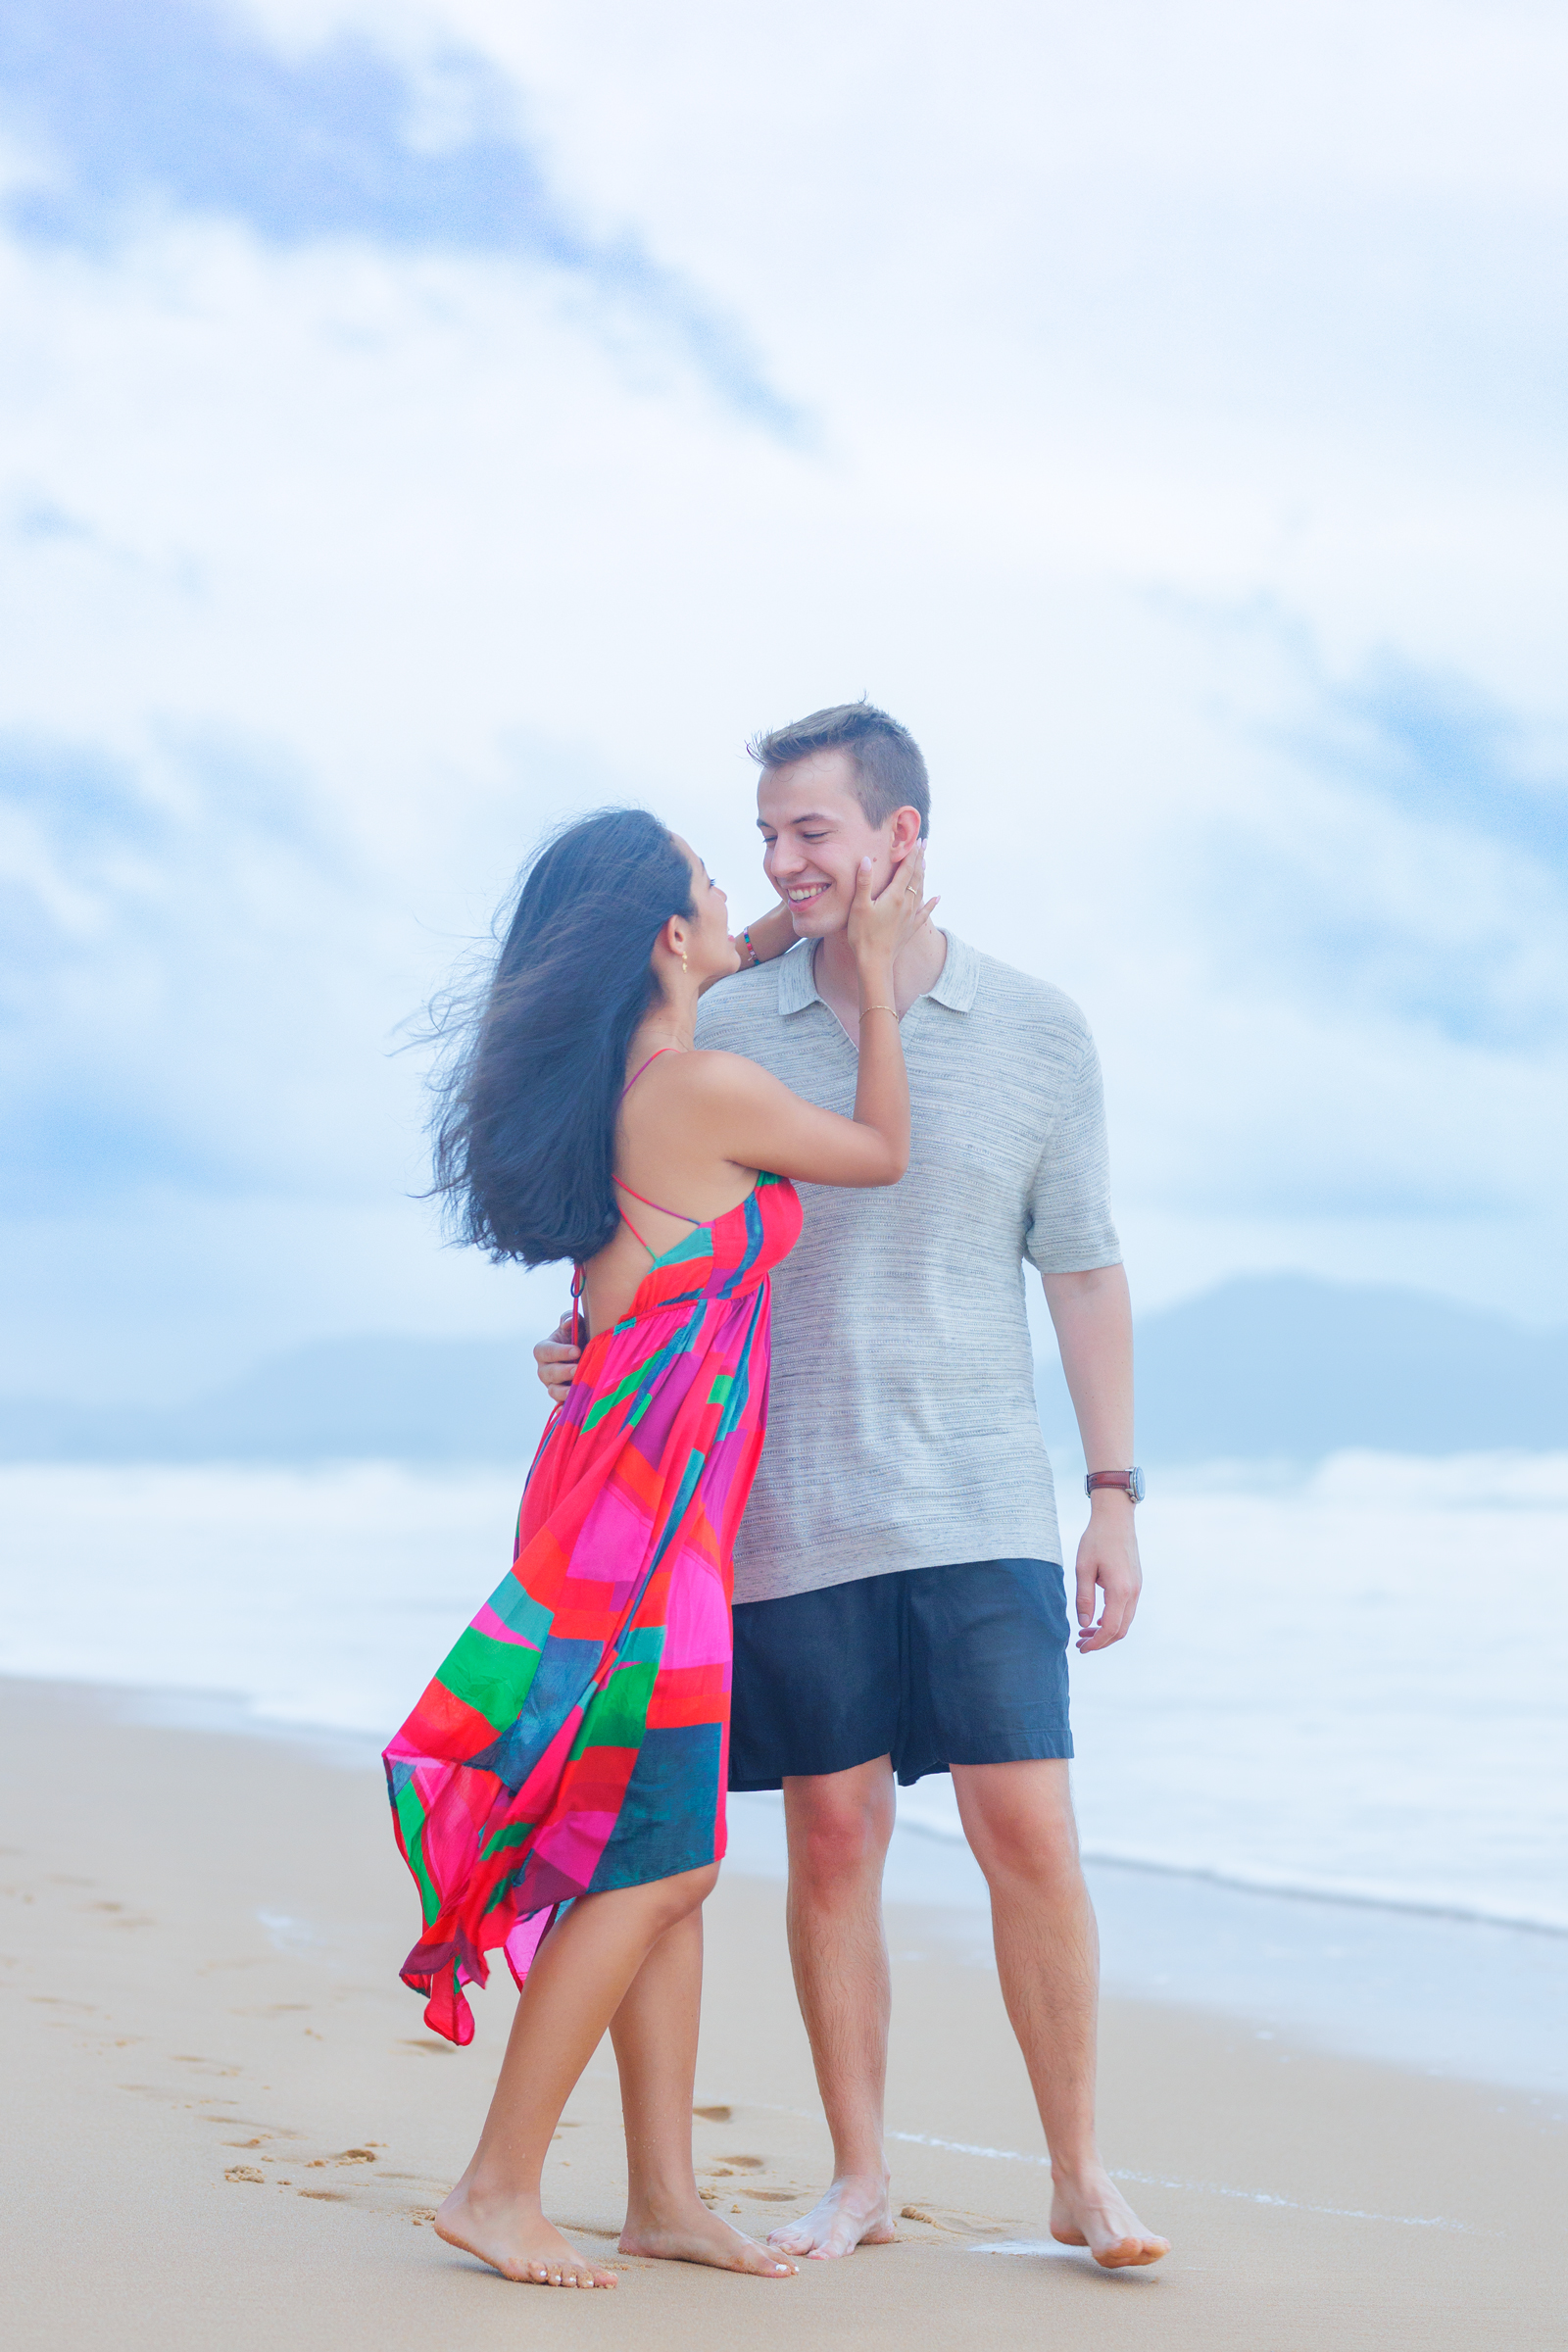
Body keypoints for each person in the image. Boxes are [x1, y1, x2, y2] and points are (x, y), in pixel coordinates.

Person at [537, 706, 1169, 2272]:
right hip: (784, 1504)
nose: (781, 859)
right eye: (763, 835)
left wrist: (1113, 1492)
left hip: (977, 1496)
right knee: (831, 1838)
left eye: (812, 830)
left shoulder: (1039, 1030)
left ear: (902, 839)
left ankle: (1082, 2174)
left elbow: (1083, 1272)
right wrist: (587, 1345)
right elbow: (636, 1204)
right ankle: (861, 2173)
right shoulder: (732, 1026)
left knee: (1031, 1828)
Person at [382, 805, 934, 2290]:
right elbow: (882, 1148)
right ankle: (497, 2184)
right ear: (662, 943)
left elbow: (631, 1307)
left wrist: (821, 908)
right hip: (645, 1540)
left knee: (657, 1850)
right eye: (711, 879)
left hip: (628, 1505)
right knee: (653, 1866)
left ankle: (665, 2196)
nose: (739, 890)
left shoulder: (624, 1085)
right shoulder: (696, 1090)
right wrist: (877, 974)